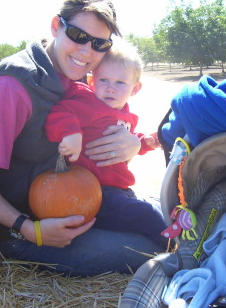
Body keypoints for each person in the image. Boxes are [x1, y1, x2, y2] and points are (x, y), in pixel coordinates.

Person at [0, 0, 166, 276]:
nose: (87, 51)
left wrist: (134, 145)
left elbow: (99, 127)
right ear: (55, 26)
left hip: (82, 205)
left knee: (166, 212)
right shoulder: (9, 90)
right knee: (151, 248)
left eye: (100, 44)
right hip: (25, 231)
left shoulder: (74, 79)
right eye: (77, 35)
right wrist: (27, 228)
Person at [44, 39, 169, 248]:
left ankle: (163, 240)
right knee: (148, 216)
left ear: (135, 88)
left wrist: (145, 142)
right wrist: (72, 133)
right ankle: (175, 252)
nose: (111, 88)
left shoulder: (124, 112)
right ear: (92, 82)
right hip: (93, 192)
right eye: (104, 80)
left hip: (118, 189)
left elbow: (123, 142)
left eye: (120, 83)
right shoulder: (88, 103)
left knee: (156, 209)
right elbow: (61, 112)